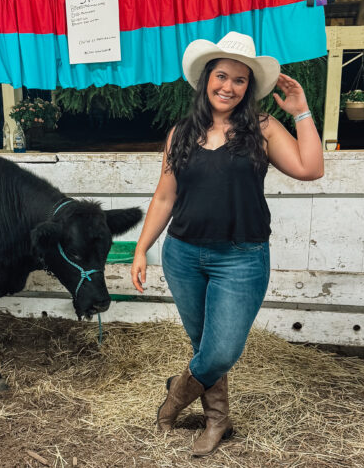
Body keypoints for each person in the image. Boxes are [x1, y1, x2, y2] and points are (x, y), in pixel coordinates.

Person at [130, 31, 324, 457]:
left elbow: (311, 168)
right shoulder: (180, 133)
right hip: (182, 255)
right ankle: (218, 418)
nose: (228, 87)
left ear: (248, 87)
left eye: (239, 80)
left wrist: (303, 111)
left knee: (221, 350)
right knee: (205, 348)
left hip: (241, 258)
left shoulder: (262, 128)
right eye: (221, 76)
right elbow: (164, 196)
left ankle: (175, 395)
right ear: (206, 79)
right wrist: (142, 248)